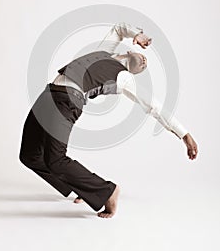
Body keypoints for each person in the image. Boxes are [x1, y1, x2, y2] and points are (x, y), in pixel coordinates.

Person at [19, 22, 198, 219]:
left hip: (66, 101)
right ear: (129, 53)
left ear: (134, 72)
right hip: (49, 93)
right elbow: (120, 28)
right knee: (29, 155)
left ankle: (108, 192)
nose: (145, 62)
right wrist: (138, 34)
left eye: (145, 67)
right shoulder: (105, 52)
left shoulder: (124, 79)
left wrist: (184, 135)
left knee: (56, 160)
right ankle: (79, 187)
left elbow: (155, 107)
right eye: (145, 59)